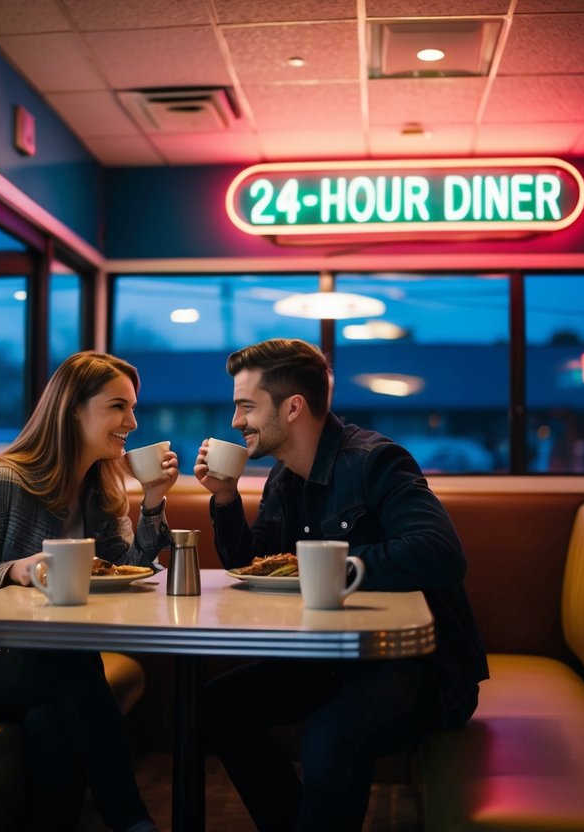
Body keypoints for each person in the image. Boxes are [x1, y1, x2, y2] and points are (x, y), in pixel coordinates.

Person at [194, 339, 488, 832]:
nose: (235, 421)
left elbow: (442, 553)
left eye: (246, 406)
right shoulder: (283, 478)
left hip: (419, 666)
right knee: (215, 707)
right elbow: (254, 568)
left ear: (293, 407)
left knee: (329, 737)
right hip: (334, 658)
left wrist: (331, 566)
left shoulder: (375, 460)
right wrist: (225, 497)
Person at [0, 351, 176, 832]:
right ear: (73, 410)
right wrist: (14, 570)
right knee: (69, 661)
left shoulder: (101, 489)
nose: (132, 422)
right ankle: (131, 820)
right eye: (118, 407)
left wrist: (153, 499)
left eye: (133, 408)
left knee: (49, 724)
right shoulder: (2, 479)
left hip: (49, 667)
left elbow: (132, 573)